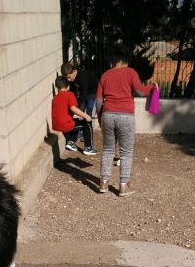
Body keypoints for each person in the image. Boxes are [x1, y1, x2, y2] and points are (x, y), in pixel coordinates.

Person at [95, 51, 156, 196]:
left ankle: (103, 182)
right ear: (125, 62)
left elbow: (98, 101)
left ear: (112, 63)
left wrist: (100, 117)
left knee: (108, 149)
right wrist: (152, 87)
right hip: (126, 116)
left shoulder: (105, 75)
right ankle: (123, 185)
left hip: (107, 115)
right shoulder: (130, 72)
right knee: (126, 151)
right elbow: (140, 92)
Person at [52, 76, 97, 155]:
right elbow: (73, 108)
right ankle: (88, 147)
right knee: (87, 123)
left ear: (56, 87)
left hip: (57, 125)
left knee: (76, 123)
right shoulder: (69, 94)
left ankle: (70, 141)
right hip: (66, 125)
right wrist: (86, 116)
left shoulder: (55, 98)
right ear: (68, 86)